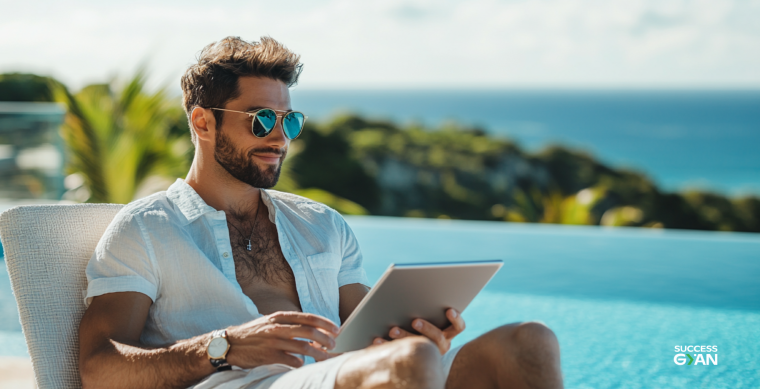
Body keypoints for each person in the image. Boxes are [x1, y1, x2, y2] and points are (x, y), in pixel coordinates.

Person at [78, 36, 564, 389]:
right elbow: (99, 366)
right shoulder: (145, 229)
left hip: (339, 379)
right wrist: (224, 346)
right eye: (262, 120)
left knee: (528, 342)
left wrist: (419, 330)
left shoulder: (321, 224)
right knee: (411, 362)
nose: (280, 137)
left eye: (289, 120)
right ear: (203, 122)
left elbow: (371, 333)